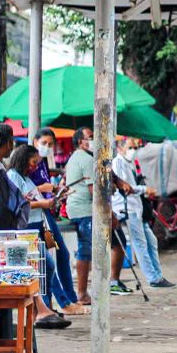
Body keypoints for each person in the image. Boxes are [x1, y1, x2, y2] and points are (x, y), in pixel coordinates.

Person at [6, 145, 83, 323]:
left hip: (36, 224)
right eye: (33, 163)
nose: (34, 167)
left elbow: (31, 199)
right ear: (24, 159)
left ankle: (45, 307)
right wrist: (43, 204)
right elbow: (18, 205)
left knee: (46, 266)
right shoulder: (13, 177)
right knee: (44, 266)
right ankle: (42, 309)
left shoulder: (24, 177)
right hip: (26, 229)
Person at [110, 137, 175, 289]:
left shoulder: (130, 163)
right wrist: (145, 189)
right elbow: (125, 187)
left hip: (137, 208)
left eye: (135, 147)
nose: (134, 151)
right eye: (130, 147)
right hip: (127, 208)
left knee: (151, 241)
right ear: (120, 148)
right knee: (140, 243)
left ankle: (157, 275)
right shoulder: (118, 163)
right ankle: (153, 278)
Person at [30, 128, 79, 308]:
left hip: (46, 212)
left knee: (60, 255)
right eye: (44, 143)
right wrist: (48, 189)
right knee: (48, 262)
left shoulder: (42, 162)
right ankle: (64, 302)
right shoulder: (31, 162)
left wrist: (57, 192)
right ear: (35, 142)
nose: (47, 147)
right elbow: (30, 190)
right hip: (38, 215)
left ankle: (68, 300)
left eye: (50, 144)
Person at [63, 126, 95, 304]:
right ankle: (82, 293)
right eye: (89, 137)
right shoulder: (86, 159)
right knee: (85, 250)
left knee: (86, 250)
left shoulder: (74, 158)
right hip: (84, 210)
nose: (92, 140)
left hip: (75, 208)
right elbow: (93, 191)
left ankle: (83, 292)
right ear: (80, 141)